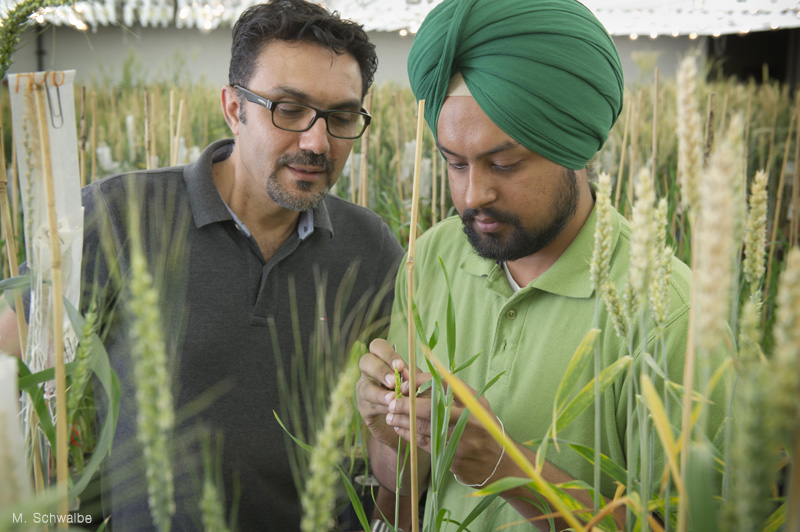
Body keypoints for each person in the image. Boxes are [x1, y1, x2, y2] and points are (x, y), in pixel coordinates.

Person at [2, 0, 403, 530]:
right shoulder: (118, 217)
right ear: (234, 108)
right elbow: (13, 353)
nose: (317, 142)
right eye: (288, 108)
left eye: (342, 116)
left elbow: (405, 432)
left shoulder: (368, 245)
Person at [356, 0, 725, 530]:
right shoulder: (432, 255)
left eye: (504, 164)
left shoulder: (671, 311)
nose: (472, 194)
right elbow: (400, 491)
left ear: (575, 148)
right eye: (453, 163)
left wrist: (505, 466)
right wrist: (393, 434)